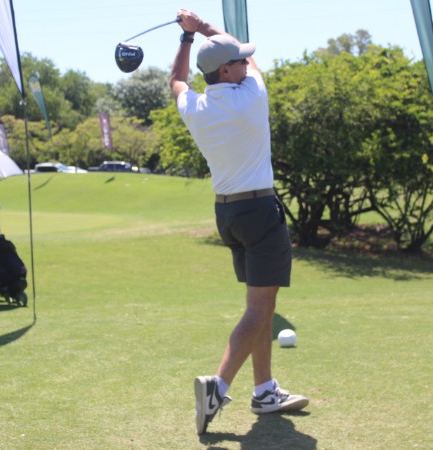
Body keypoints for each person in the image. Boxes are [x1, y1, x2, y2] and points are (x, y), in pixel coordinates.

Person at [170, 9, 309, 435]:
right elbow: (251, 63)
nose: (246, 63)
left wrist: (186, 40)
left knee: (262, 303)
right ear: (227, 71)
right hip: (260, 211)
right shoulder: (251, 97)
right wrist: (201, 26)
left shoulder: (196, 107)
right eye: (238, 60)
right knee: (258, 308)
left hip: (228, 214)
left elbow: (176, 80)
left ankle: (265, 390)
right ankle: (218, 386)